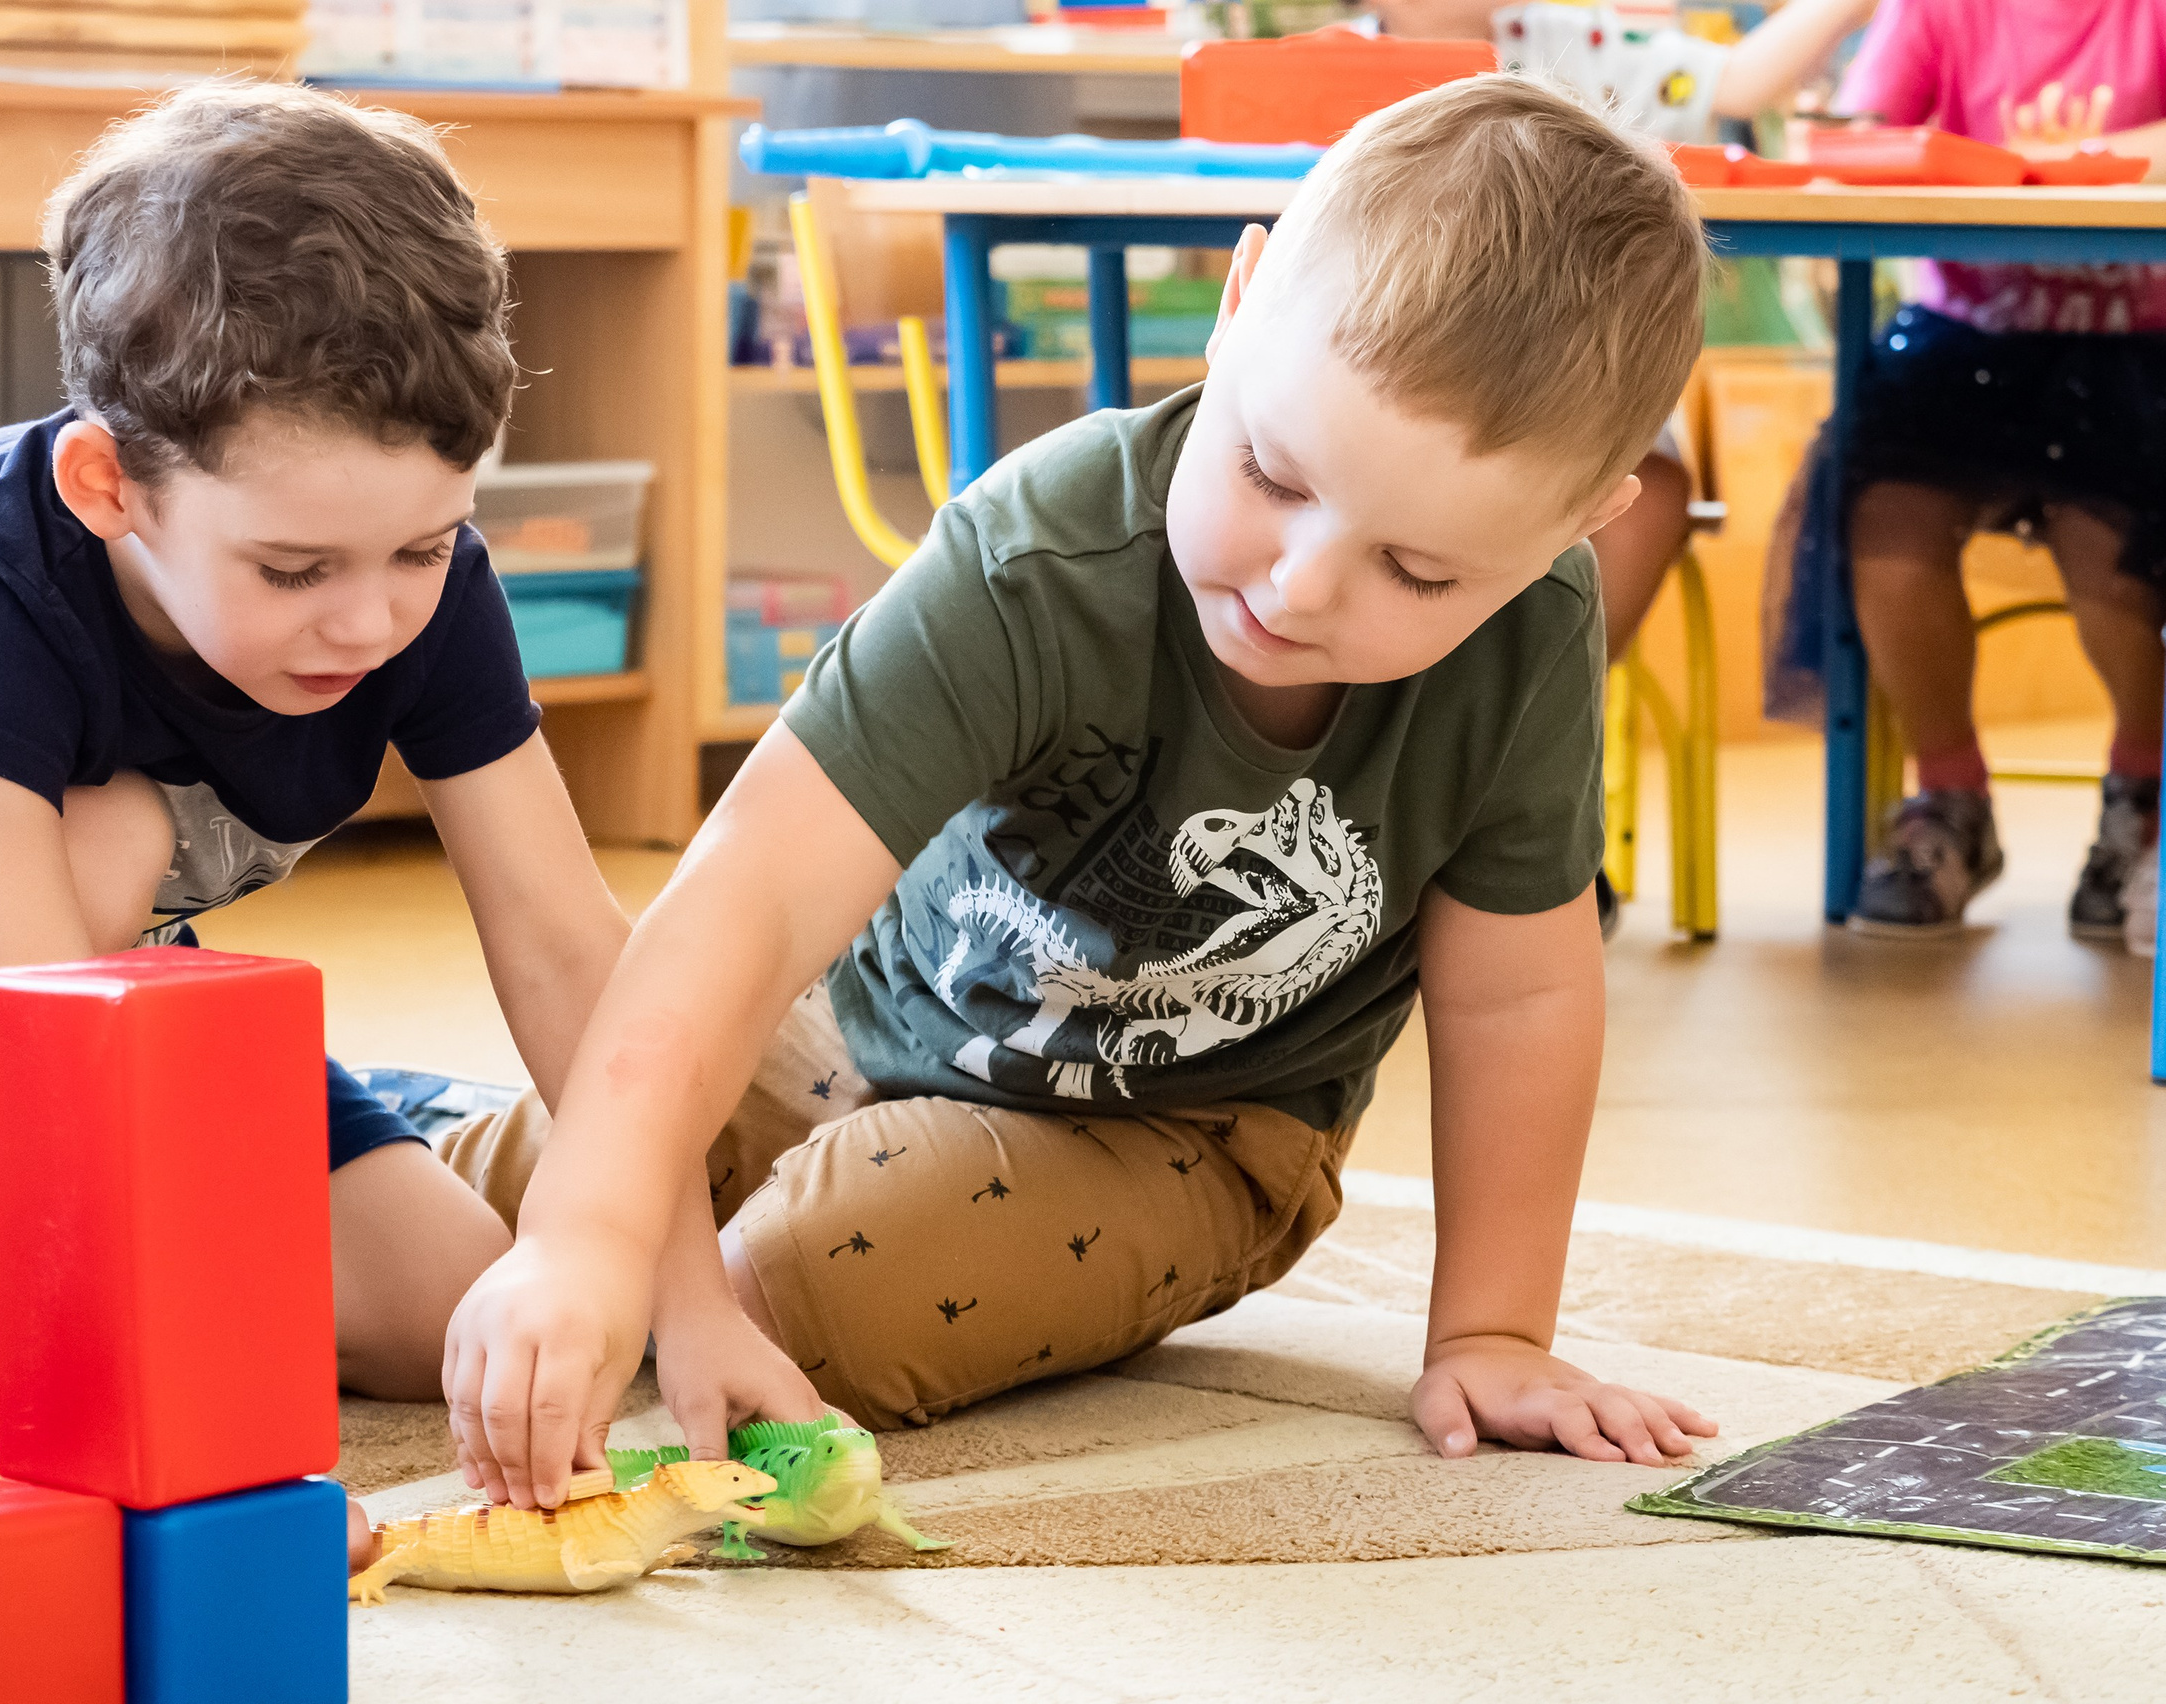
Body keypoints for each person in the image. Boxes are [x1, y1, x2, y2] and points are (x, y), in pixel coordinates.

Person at [436, 76, 1720, 1513]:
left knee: (793, 1292)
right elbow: (753, 888)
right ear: (1238, 307)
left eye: (1419, 574)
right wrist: (597, 1228)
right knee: (489, 1208)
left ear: (1581, 521)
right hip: (858, 1024)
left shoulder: (1535, 637)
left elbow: (1519, 998)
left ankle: (677, 1262)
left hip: (1196, 1134)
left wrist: (1494, 1331)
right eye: (1271, 472)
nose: (1297, 585)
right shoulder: (1035, 555)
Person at [0, 83, 628, 1403]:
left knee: (444, 1302)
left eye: (422, 547)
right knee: (107, 831)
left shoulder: (416, 593)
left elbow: (558, 933)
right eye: (293, 567)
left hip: (82, 985)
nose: (370, 617)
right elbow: (12, 1002)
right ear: (110, 487)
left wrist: (675, 1286)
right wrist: (199, 1424)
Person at [1364, 2, 1880, 933]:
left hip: (1566, 390)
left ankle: (1516, 798)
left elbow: (1742, 83)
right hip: (1386, 394)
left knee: (1643, 490)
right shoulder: (1319, 71)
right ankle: (1415, 796)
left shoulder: (1574, 44)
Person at [1798, 0, 2166, 940]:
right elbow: (1857, 138)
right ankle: (1949, 799)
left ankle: (2144, 797)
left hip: (2137, 349)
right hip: (1965, 340)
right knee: (1882, 514)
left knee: (2113, 542)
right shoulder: (1937, 9)